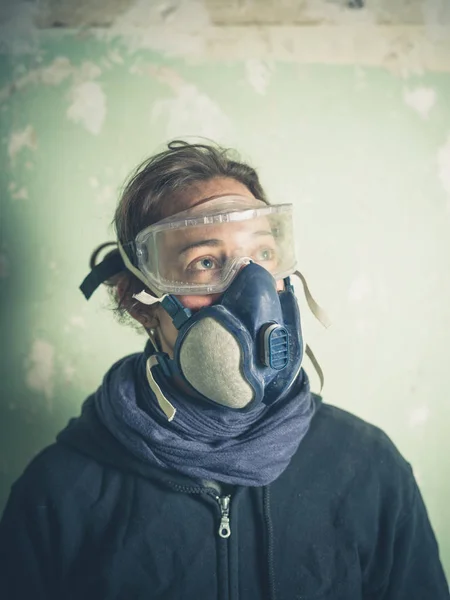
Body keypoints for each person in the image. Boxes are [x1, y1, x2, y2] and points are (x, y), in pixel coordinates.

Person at [0, 140, 448, 600]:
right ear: (139, 302)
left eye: (264, 256)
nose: (253, 289)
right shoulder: (60, 494)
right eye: (206, 262)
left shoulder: (367, 468)